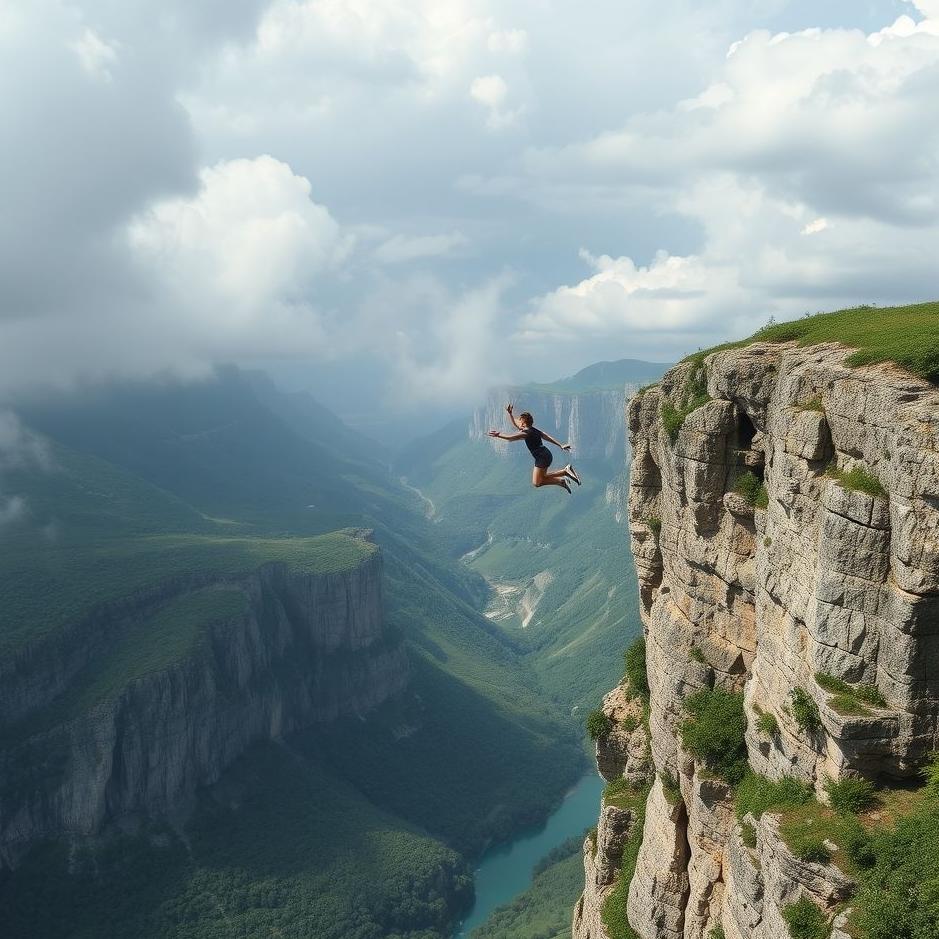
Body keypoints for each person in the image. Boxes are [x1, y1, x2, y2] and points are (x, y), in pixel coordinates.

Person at [488, 404, 581, 494]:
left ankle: (563, 476)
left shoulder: (525, 433)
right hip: (546, 454)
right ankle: (563, 475)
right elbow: (546, 436)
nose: (519, 422)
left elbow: (510, 438)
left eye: (520, 420)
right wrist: (560, 445)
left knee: (537, 482)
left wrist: (498, 435)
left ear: (524, 422)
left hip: (541, 457)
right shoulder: (533, 430)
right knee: (541, 478)